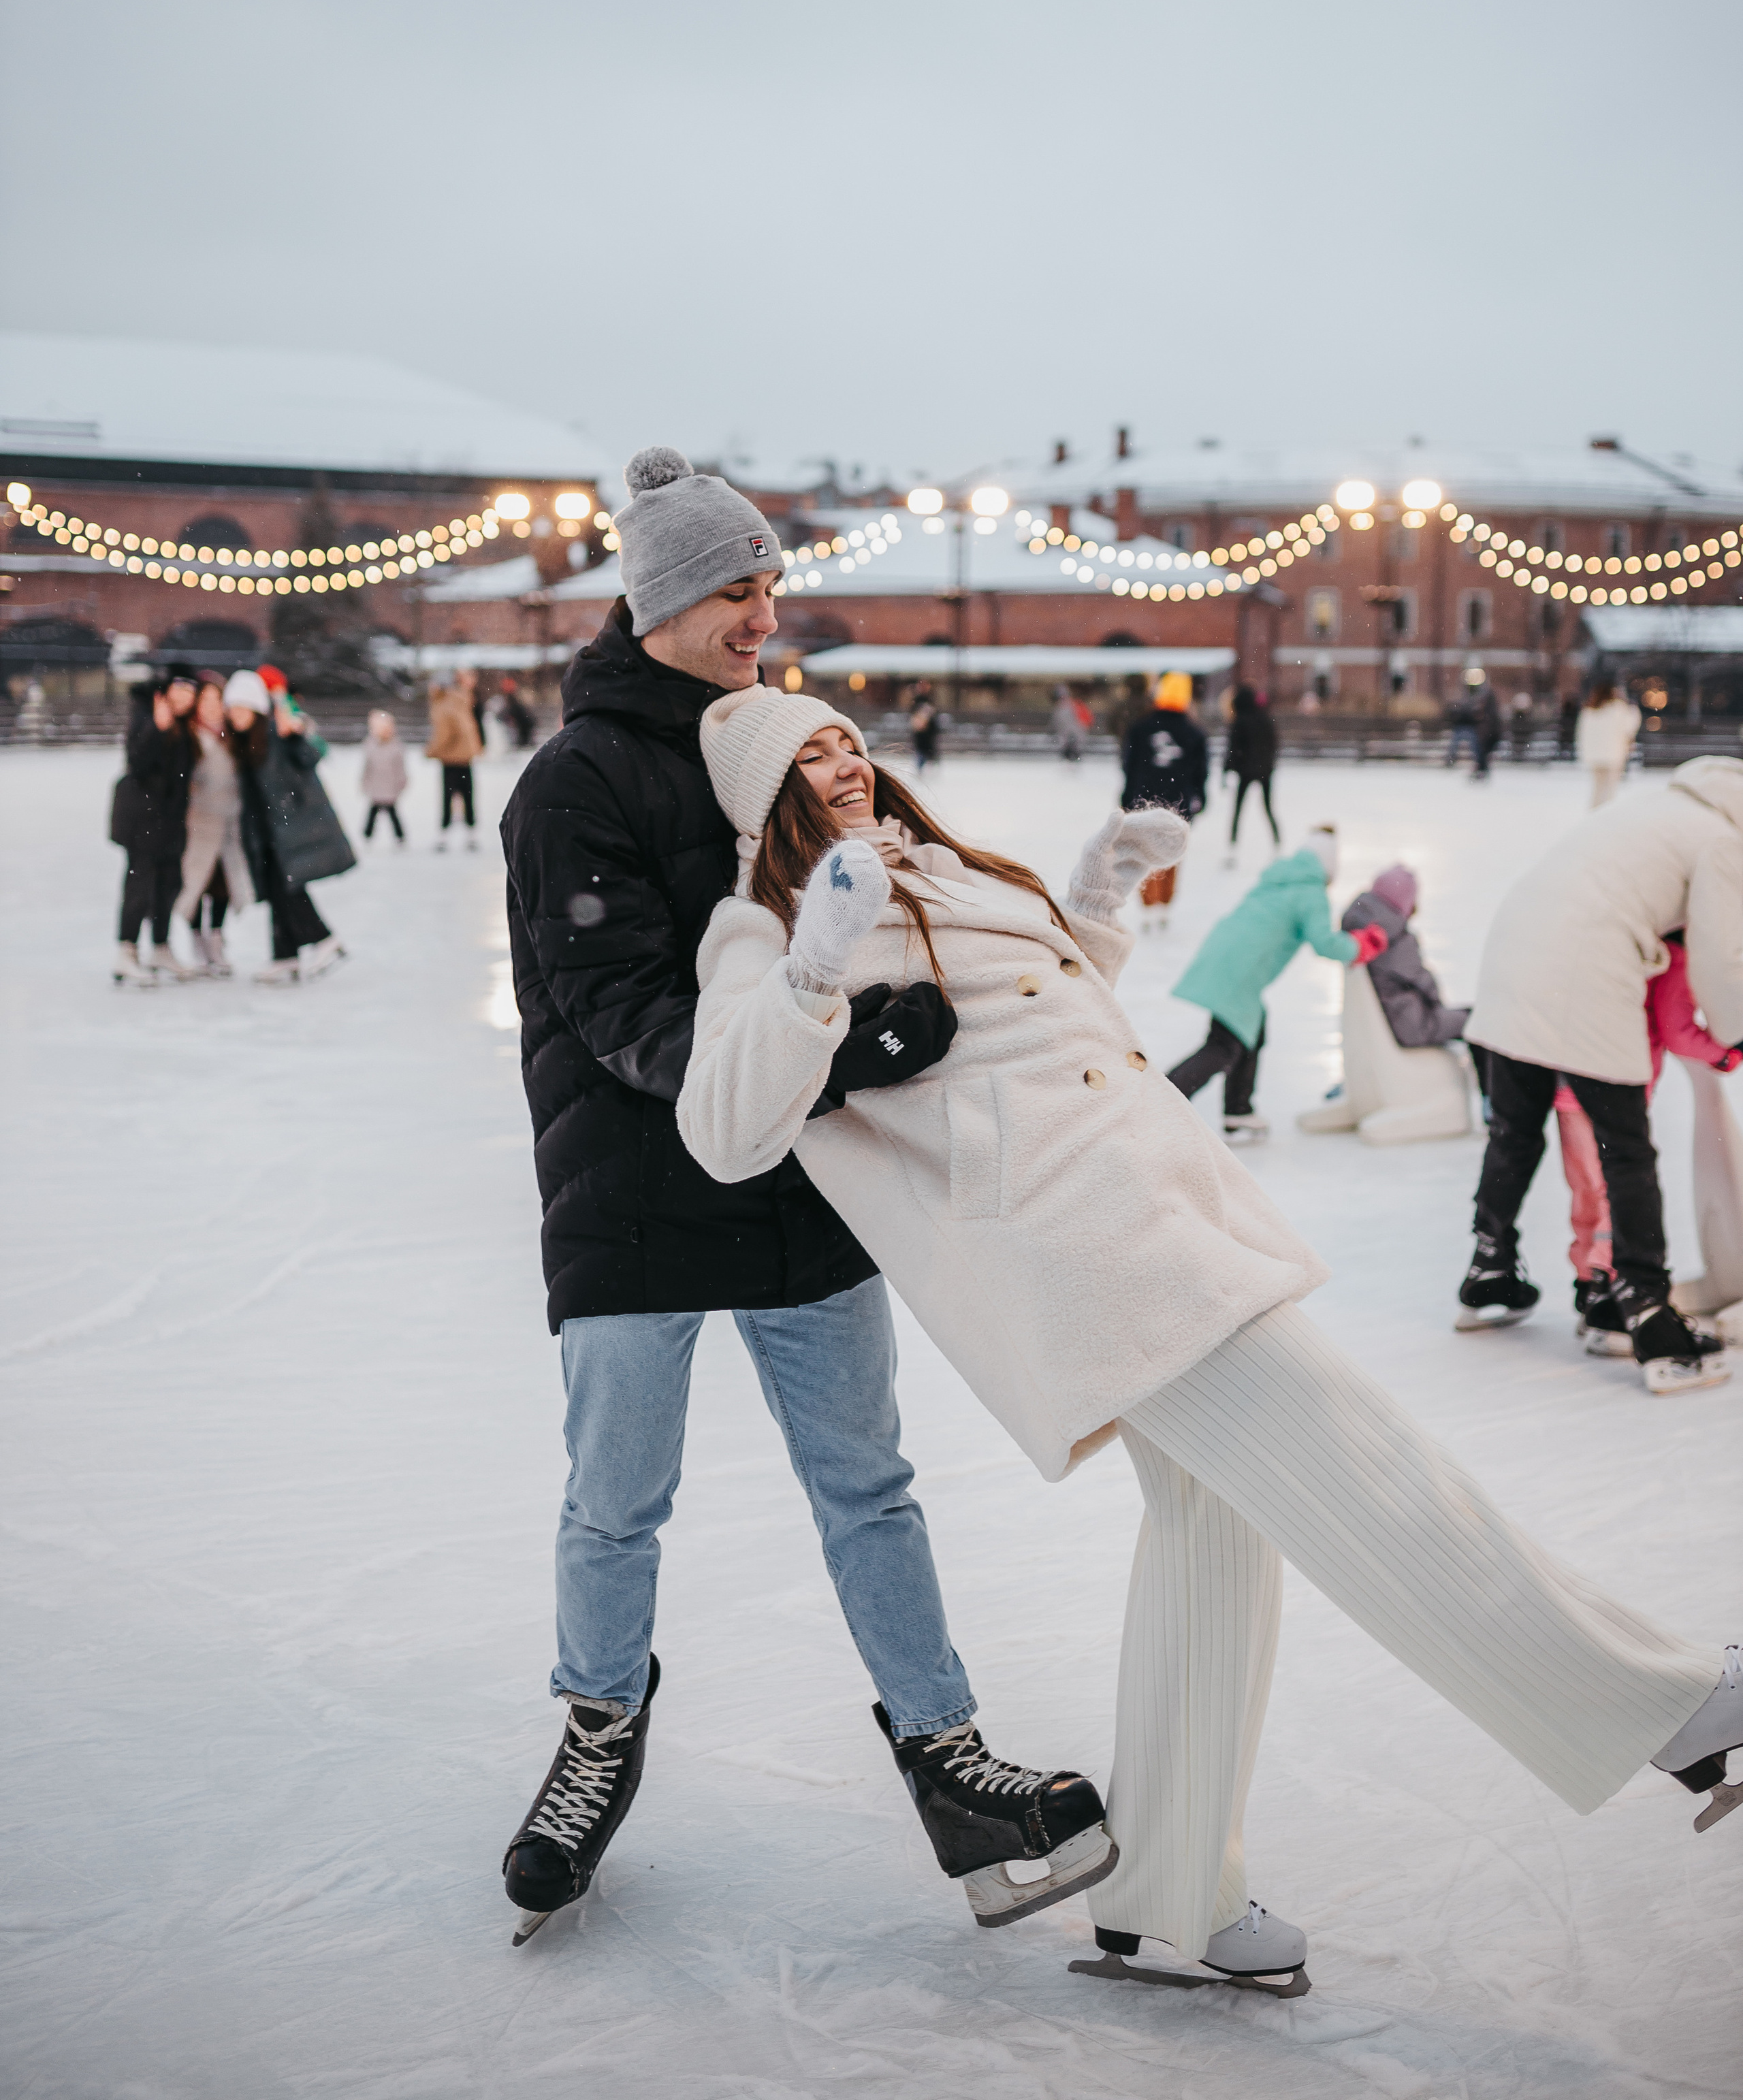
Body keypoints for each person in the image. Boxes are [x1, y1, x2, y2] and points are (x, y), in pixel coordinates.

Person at [676, 692, 1743, 1996]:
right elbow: (725, 1130)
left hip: (1155, 1204)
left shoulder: (931, 864)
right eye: (805, 755)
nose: (841, 762)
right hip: (1083, 1257)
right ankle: (1662, 1701)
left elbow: (1033, 1021)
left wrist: (1095, 904)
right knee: (1370, 1469)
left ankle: (1166, 1894)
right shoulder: (763, 920)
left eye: (845, 739)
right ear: (760, 795)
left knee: (1216, 1548)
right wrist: (813, 963)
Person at [494, 447, 1111, 1950]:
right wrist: (815, 1068)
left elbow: (871, 916)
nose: (763, 609)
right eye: (733, 586)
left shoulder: (772, 741)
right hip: (633, 1196)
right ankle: (595, 1735)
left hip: (797, 1198)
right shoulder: (576, 782)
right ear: (658, 599)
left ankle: (945, 1757)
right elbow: (616, 1004)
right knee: (617, 1503)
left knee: (867, 1489)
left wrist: (925, 1016)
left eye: (771, 581)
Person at [1458, 756, 1743, 1390]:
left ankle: (1489, 1268)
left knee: (1516, 1130)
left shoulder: (1658, 809)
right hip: (1584, 972)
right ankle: (1647, 1317)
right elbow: (1721, 965)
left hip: (1511, 959)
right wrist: (1735, 1035)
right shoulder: (1726, 841)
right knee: (1627, 1151)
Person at [1550, 935, 1742, 1353]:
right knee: (1612, 1187)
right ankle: (1607, 1289)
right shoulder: (1673, 958)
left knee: (1586, 1187)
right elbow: (1677, 1030)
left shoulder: (1619, 946)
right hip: (1615, 1084)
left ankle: (1589, 1284)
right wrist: (1726, 1055)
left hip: (1568, 1082)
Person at [1165, 827, 1387, 1141]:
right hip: (1239, 971)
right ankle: (1165, 1095)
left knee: (1251, 1030)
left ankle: (1239, 1110)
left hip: (1222, 956)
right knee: (1225, 1045)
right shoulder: (1310, 893)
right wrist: (1360, 946)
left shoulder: (1280, 879)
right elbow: (1324, 942)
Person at [223, 669, 354, 984]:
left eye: (243, 708)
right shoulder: (241, 742)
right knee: (276, 891)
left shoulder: (275, 734)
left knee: (289, 888)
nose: (236, 715)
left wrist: (295, 734)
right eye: (233, 709)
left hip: (286, 827)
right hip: (263, 831)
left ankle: (325, 940)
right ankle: (285, 956)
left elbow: (310, 756)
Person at [110, 665, 198, 985]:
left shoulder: (184, 724)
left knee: (169, 884)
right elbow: (137, 764)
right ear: (167, 690)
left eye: (191, 693)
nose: (186, 699)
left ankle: (160, 947)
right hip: (142, 819)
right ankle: (126, 950)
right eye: (181, 691)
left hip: (171, 820)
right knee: (140, 885)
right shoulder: (147, 716)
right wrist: (157, 730)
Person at [171, 671, 253, 973]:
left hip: (229, 824)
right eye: (204, 700)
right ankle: (197, 940)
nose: (210, 706)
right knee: (196, 883)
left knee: (222, 885)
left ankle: (216, 940)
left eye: (216, 700)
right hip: (196, 824)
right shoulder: (189, 736)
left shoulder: (234, 736)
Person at [1340, 864, 1469, 1048]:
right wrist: (1437, 1005)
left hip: (1392, 1017)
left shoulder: (1360, 929)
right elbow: (1422, 981)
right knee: (1475, 1020)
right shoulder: (1395, 939)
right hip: (1410, 1024)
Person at [1121, 673, 1208, 930]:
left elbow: (1129, 765)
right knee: (1171, 854)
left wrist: (1127, 798)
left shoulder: (1140, 727)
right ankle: (1165, 906)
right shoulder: (1194, 732)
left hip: (1143, 799)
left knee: (1144, 853)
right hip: (1178, 803)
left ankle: (1148, 904)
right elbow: (1200, 772)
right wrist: (1200, 798)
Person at [1221, 681, 1279, 865]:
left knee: (1238, 810)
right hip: (1264, 771)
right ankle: (1277, 845)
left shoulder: (1240, 720)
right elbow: (1273, 745)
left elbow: (1234, 749)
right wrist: (1268, 764)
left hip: (1245, 771)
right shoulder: (1265, 719)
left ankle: (1232, 848)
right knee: (1269, 809)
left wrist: (1227, 770)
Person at [426, 672, 483, 849]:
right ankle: (471, 834)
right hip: (465, 756)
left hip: (451, 759)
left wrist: (430, 751)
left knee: (448, 797)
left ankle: (444, 835)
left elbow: (445, 734)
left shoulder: (443, 705)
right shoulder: (459, 700)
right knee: (467, 795)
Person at [1576, 676, 1640, 808]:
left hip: (1594, 756)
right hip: (1613, 755)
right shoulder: (1618, 709)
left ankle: (1594, 815)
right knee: (1610, 791)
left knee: (1598, 789)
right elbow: (1630, 726)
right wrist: (1633, 709)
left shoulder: (1589, 710)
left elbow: (1581, 733)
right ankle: (1605, 819)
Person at [360, 709, 409, 844]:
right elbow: (367, 768)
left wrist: (402, 782)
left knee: (392, 812)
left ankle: (399, 836)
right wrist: (365, 782)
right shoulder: (370, 746)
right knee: (373, 812)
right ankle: (367, 835)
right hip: (376, 786)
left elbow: (400, 768)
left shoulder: (396, 747)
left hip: (390, 787)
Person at [1051, 683, 1091, 762]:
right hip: (1070, 738)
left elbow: (1072, 724)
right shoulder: (1066, 707)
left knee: (1072, 754)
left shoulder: (1069, 707)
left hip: (1072, 738)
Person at [908, 688, 940, 774]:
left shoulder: (931, 720)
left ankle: (930, 769)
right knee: (922, 754)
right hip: (922, 739)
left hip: (927, 739)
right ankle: (922, 769)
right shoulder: (918, 707)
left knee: (928, 754)